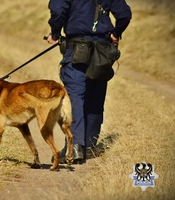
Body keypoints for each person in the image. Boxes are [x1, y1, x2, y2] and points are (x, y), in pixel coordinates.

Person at [46, 0, 132, 163]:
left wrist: (55, 33)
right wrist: (116, 32)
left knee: (74, 99)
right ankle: (89, 146)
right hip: (102, 50)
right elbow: (125, 15)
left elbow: (58, 11)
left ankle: (75, 146)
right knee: (95, 97)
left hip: (76, 49)